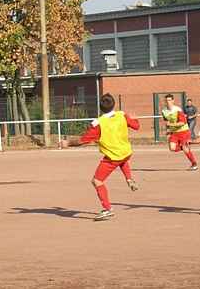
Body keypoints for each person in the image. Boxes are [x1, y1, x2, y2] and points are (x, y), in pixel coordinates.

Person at [60, 93, 140, 221]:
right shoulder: (122, 115)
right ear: (114, 104)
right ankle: (129, 179)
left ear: (100, 107)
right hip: (126, 151)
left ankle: (107, 209)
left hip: (113, 156)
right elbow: (136, 126)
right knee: (122, 159)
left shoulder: (99, 123)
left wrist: (68, 142)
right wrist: (135, 119)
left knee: (97, 181)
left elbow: (83, 140)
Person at [161, 94, 197, 170]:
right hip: (174, 132)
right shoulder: (164, 111)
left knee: (185, 148)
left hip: (183, 131)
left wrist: (171, 124)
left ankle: (194, 164)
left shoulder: (177, 110)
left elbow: (182, 123)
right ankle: (185, 146)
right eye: (166, 100)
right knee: (172, 148)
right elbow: (167, 121)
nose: (168, 102)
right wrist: (168, 130)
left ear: (173, 101)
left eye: (170, 100)